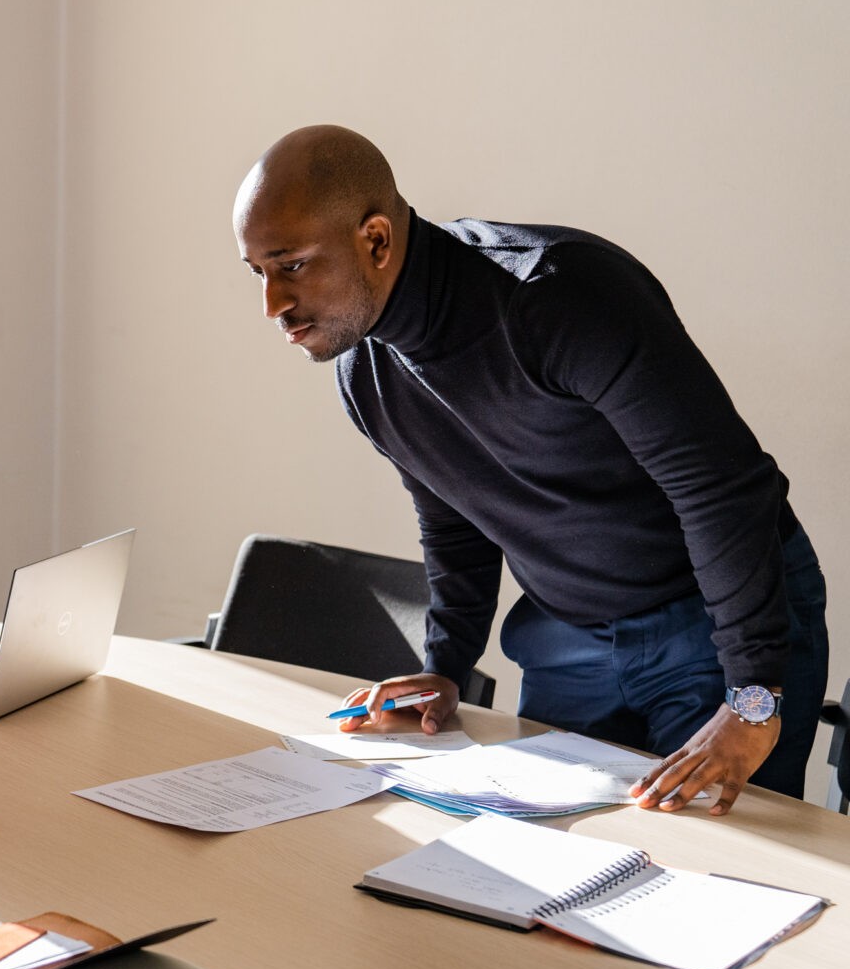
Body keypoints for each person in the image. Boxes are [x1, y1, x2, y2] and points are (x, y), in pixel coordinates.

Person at [232, 125, 828, 817]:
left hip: (714, 629)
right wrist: (444, 668)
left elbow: (720, 488)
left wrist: (752, 698)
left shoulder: (561, 296)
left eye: (292, 265)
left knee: (728, 877)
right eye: (258, 273)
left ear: (375, 240)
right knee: (548, 868)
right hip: (568, 642)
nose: (272, 304)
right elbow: (455, 516)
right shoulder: (365, 376)